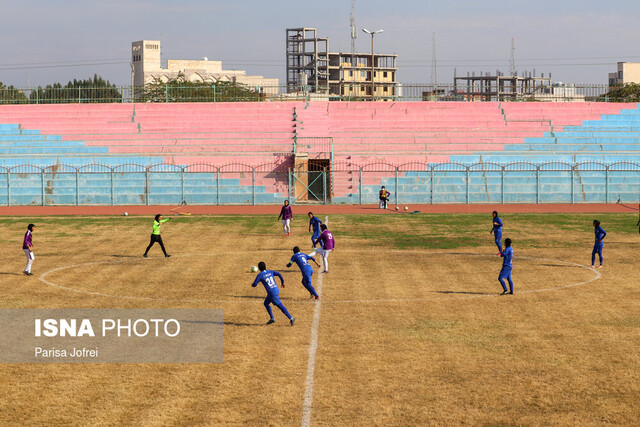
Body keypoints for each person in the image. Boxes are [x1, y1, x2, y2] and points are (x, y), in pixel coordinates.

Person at [252, 262, 295, 326]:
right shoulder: (270, 271)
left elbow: (254, 284)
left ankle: (291, 318)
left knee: (280, 305)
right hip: (275, 289)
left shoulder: (260, 275)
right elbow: (279, 274)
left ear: (259, 268)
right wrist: (282, 282)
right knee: (266, 303)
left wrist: (252, 284)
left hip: (272, 293)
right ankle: (272, 318)